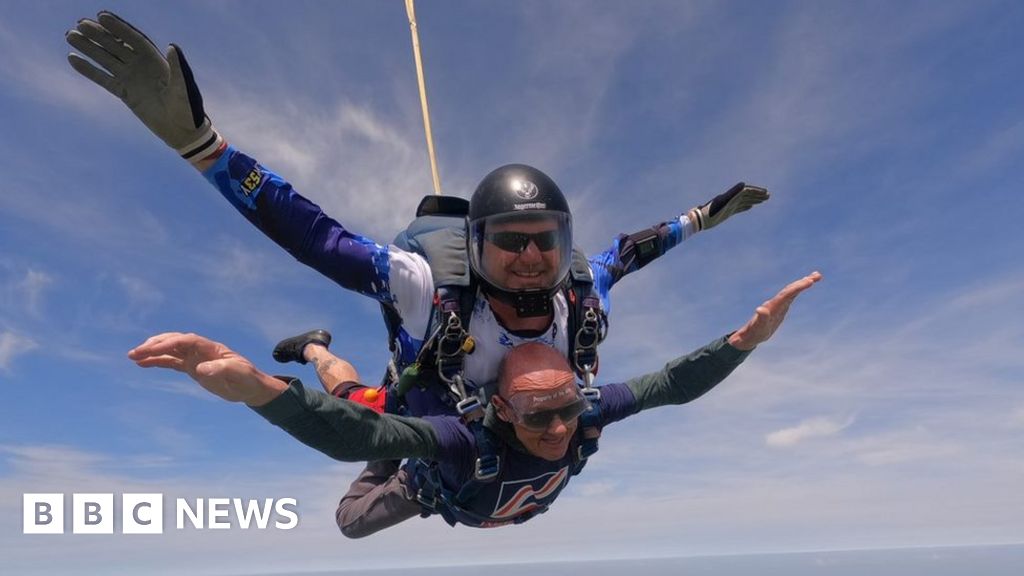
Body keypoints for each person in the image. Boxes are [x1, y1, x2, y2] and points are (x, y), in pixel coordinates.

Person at [66, 11, 771, 406]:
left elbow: (637, 249)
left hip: (496, 418)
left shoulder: (581, 293)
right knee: (351, 404)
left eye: (545, 241)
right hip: (422, 401)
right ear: (477, 243)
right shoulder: (427, 287)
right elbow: (318, 238)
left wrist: (705, 216)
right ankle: (313, 346)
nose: (531, 258)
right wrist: (207, 150)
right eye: (510, 242)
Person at [128, 271, 822, 535]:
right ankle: (314, 345)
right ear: (499, 409)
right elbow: (347, 436)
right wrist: (261, 392)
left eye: (564, 411)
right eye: (537, 415)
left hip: (435, 454)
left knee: (376, 419)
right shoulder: (463, 438)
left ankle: (387, 428)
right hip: (421, 459)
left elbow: (668, 386)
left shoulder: (584, 407)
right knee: (352, 496)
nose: (557, 428)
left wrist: (742, 344)